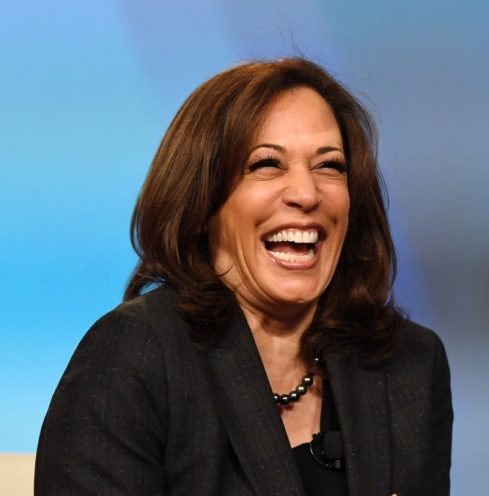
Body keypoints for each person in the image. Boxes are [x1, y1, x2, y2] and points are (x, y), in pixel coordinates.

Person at [35, 58, 452, 495]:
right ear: (202, 200)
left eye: (330, 166)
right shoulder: (136, 355)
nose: (307, 194)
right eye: (266, 164)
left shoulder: (409, 363)